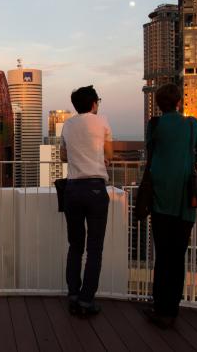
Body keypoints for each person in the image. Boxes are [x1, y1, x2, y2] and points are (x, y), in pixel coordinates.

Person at [144, 83, 197, 329]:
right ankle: (172, 309)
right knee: (177, 257)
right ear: (179, 102)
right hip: (185, 202)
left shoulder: (155, 125)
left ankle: (160, 309)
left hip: (160, 198)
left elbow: (151, 152)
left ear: (158, 104)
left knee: (163, 255)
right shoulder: (192, 124)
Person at [60, 85, 113, 316]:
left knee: (75, 246)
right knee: (94, 249)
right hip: (94, 189)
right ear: (93, 103)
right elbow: (109, 155)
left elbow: (63, 155)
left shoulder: (68, 125)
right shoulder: (101, 121)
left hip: (72, 189)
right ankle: (86, 300)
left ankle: (73, 293)